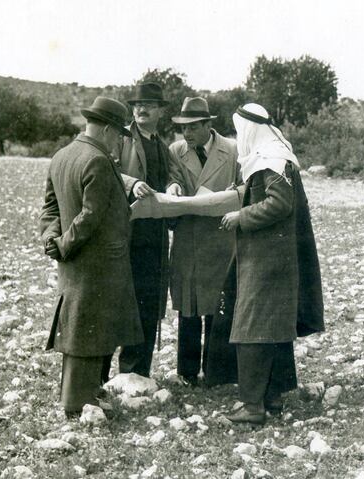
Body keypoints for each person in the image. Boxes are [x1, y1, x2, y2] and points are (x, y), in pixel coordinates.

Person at [39, 96, 144, 418]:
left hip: (73, 263)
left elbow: (50, 208)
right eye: (118, 135)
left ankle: (79, 394)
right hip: (97, 261)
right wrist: (67, 243)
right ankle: (80, 401)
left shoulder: (62, 156)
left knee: (78, 327)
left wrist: (52, 240)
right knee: (91, 330)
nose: (118, 142)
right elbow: (90, 215)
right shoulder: (97, 160)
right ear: (109, 129)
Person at [220, 103, 324, 425]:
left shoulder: (271, 159)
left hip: (265, 259)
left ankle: (252, 406)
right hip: (276, 257)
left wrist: (241, 216)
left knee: (251, 328)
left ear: (249, 130)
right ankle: (272, 397)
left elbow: (279, 203)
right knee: (272, 327)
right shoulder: (276, 156)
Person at [114, 83, 186, 378]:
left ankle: (139, 373)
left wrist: (173, 185)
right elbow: (104, 168)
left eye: (149, 105)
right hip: (127, 232)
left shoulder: (161, 144)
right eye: (137, 104)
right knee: (122, 301)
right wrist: (131, 183)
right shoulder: (120, 138)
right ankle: (117, 376)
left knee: (150, 301)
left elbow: (171, 174)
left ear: (161, 111)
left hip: (155, 235)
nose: (141, 109)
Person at [168, 97, 240, 387]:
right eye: (183, 128)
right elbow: (172, 180)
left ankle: (216, 372)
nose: (187, 133)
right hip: (187, 238)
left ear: (209, 125)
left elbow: (243, 186)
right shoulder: (175, 151)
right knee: (187, 305)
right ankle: (186, 373)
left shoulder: (233, 151)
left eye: (194, 127)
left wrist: (225, 198)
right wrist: (171, 187)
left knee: (216, 305)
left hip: (220, 239)